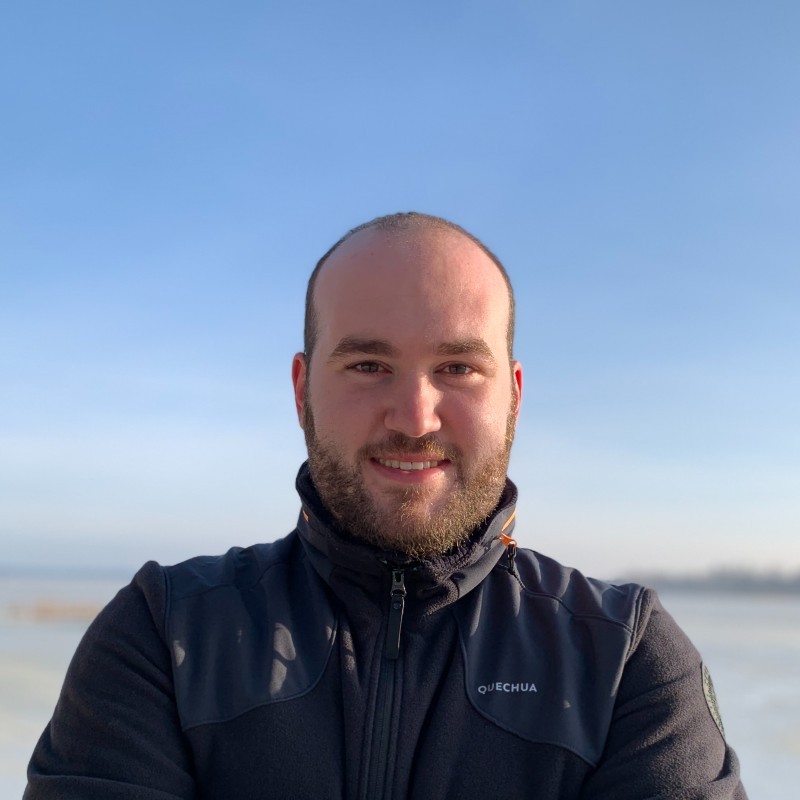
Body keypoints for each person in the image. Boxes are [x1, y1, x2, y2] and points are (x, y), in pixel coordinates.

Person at [25, 212, 747, 798]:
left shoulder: (620, 657)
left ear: (514, 397)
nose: (414, 417)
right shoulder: (165, 635)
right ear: (302, 390)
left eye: (458, 367)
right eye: (368, 365)